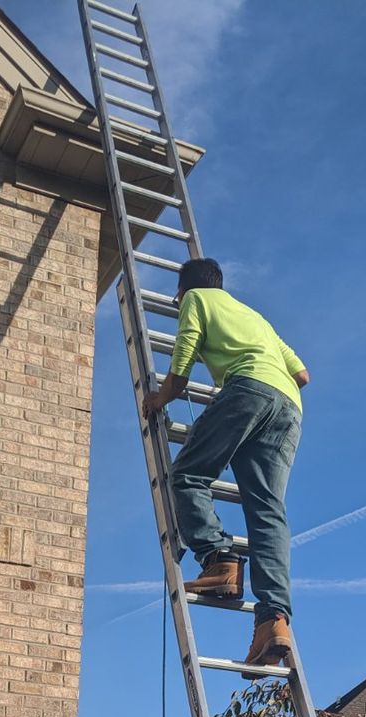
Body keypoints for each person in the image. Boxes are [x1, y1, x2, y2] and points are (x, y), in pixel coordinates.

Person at [141, 258, 308, 668]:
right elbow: (302, 374)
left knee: (188, 475)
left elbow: (180, 368)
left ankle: (221, 561)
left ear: (184, 290)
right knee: (268, 512)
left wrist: (158, 399)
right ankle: (273, 620)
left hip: (247, 390)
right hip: (289, 407)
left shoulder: (196, 299)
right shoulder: (256, 317)